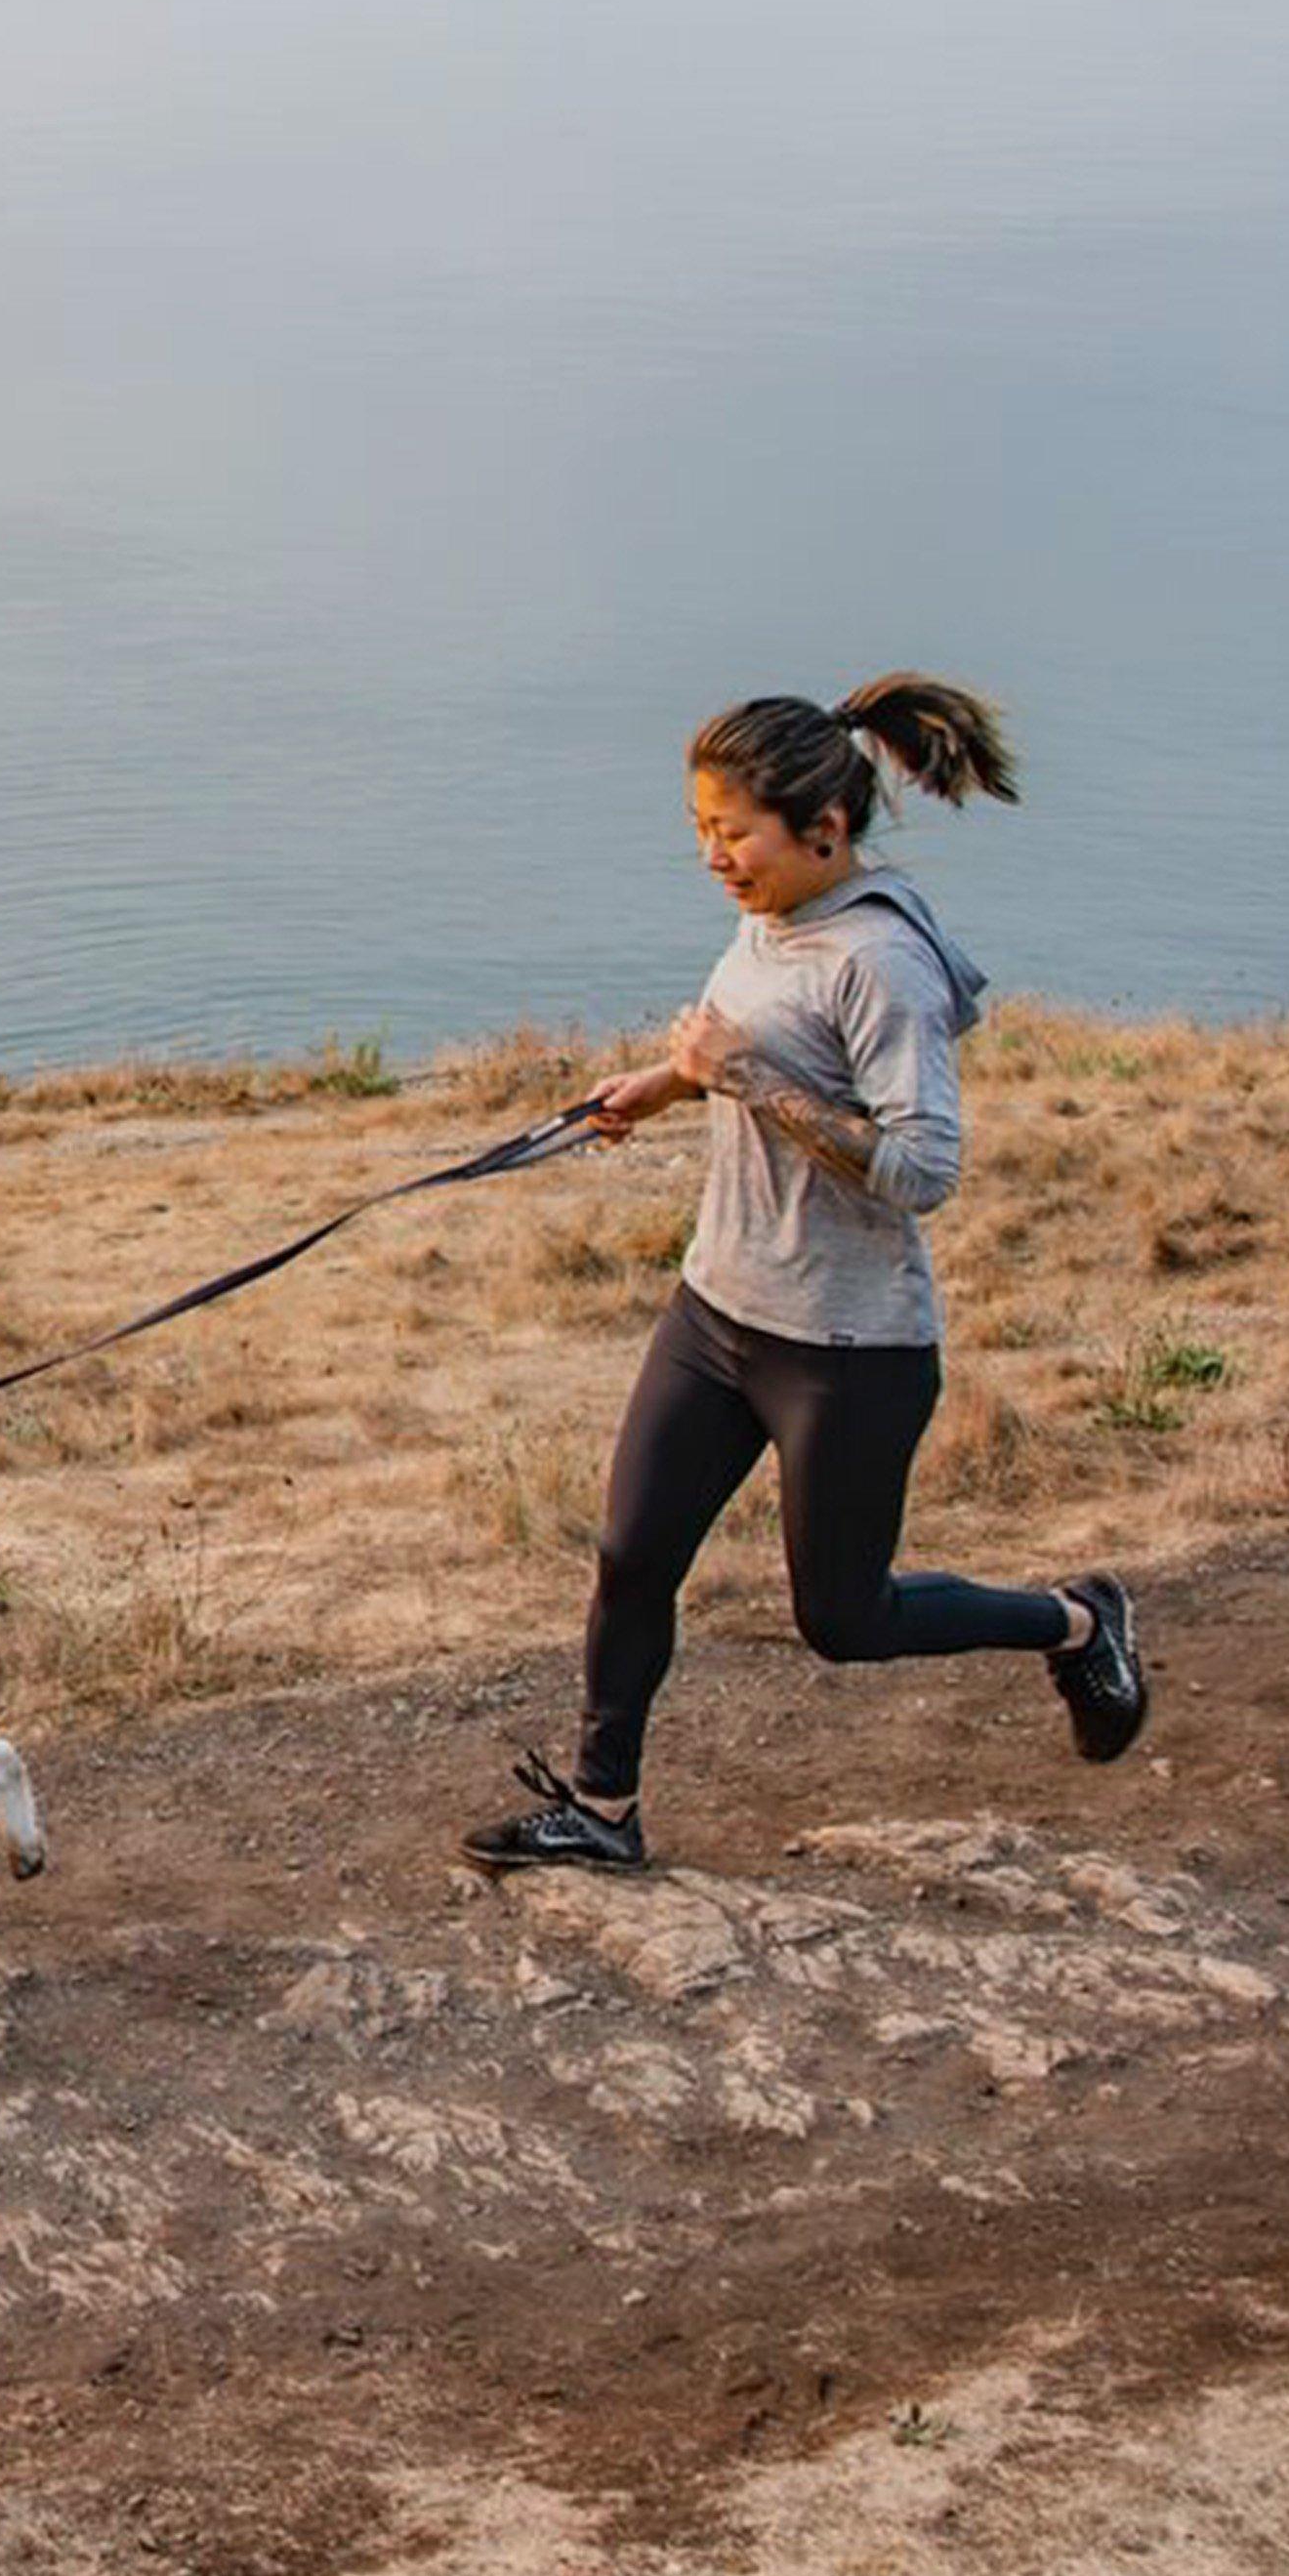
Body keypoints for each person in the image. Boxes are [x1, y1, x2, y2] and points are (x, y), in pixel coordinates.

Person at [464, 672, 1146, 1875]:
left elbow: (922, 1168)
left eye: (733, 833)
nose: (711, 856)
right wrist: (660, 1085)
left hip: (844, 1346)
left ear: (823, 829)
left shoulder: (881, 965)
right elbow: (740, 1042)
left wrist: (747, 1081)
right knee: (631, 1556)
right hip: (716, 1307)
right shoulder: (773, 916)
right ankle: (603, 1810)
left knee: (844, 1618)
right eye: (700, 829)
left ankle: (1079, 1621)